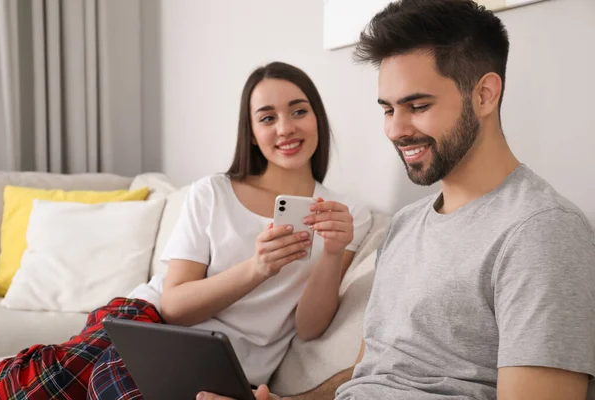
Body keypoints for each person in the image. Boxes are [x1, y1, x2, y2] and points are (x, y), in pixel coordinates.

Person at [201, 0, 595, 399]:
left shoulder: (542, 231)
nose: (395, 129)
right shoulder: (406, 224)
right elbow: (371, 375)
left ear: (485, 95)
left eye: (418, 106)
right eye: (388, 109)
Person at [0, 61, 372, 400]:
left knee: (106, 383)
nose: (286, 127)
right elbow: (173, 307)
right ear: (253, 133)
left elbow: (308, 328)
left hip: (228, 364)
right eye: (268, 117)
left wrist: (334, 252)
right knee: (34, 381)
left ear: (317, 118)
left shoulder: (347, 213)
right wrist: (257, 267)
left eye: (298, 111)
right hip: (149, 321)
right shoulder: (213, 192)